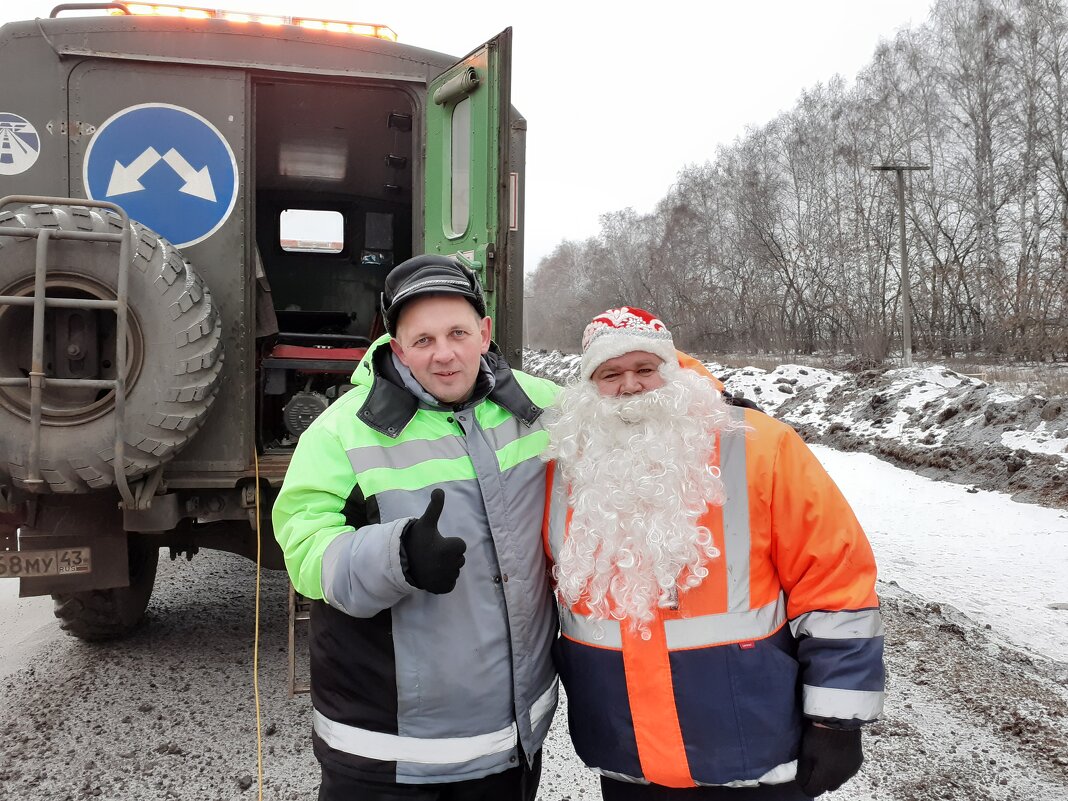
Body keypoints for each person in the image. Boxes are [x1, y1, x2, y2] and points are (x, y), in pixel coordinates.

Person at [541, 306, 885, 800]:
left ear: (674, 371)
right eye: (610, 374)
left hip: (753, 754)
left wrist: (836, 720)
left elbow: (834, 582)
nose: (631, 385)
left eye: (645, 369)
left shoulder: (760, 446)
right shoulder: (566, 468)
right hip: (626, 755)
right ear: (589, 387)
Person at [273, 255, 560, 800]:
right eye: (423, 340)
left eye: (457, 332)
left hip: (513, 742)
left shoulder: (540, 407)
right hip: (388, 758)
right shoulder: (341, 432)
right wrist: (394, 556)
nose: (445, 354)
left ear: (485, 332)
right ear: (397, 348)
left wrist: (706, 408)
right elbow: (304, 548)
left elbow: (628, 406)